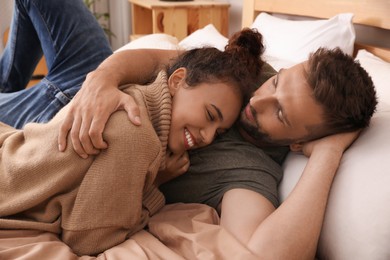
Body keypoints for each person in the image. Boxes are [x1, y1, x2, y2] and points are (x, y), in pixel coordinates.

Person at [0, 0, 377, 259]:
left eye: (279, 114)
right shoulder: (255, 74)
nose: (258, 101)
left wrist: (328, 154)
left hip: (61, 114)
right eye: (277, 85)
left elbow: (268, 253)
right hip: (89, 89)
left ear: (299, 141)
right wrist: (100, 82)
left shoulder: (251, 173)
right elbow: (168, 62)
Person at [0, 1, 266, 255]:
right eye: (209, 115)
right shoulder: (139, 137)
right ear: (177, 80)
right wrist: (154, 189)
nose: (207, 137)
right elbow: (90, 239)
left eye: (218, 132)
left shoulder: (142, 99)